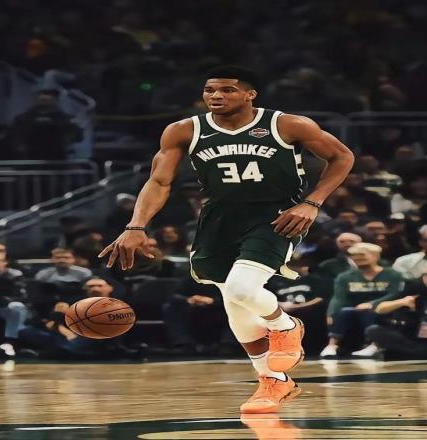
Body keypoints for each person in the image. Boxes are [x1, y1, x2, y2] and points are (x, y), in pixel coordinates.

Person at [99, 65, 354, 414]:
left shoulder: (286, 124)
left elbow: (342, 156)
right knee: (233, 301)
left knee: (242, 289)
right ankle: (273, 382)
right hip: (218, 218)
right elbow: (159, 182)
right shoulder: (184, 130)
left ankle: (285, 325)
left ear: (250, 95)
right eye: (210, 90)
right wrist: (136, 226)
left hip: (275, 215)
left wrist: (312, 203)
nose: (216, 96)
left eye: (227, 90)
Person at [320, 243, 404, 358]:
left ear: (375, 256)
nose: (357, 258)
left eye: (361, 255)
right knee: (343, 312)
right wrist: (331, 313)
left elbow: (395, 294)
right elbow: (338, 297)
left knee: (370, 312)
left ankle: (373, 345)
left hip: (384, 309)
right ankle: (332, 345)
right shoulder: (345, 276)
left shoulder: (392, 274)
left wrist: (372, 304)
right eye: (354, 255)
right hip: (355, 309)